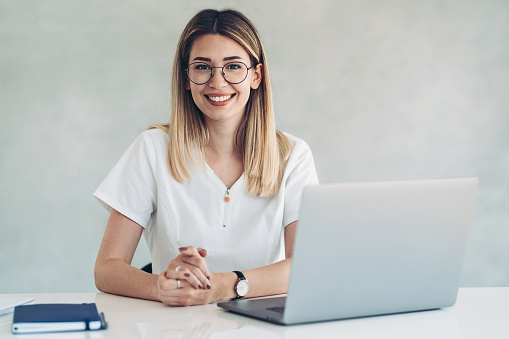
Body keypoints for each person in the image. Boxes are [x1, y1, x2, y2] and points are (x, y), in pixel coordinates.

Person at [93, 8, 318, 306]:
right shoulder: (152, 148)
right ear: (186, 78)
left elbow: (305, 267)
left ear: (256, 76)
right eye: (202, 67)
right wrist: (160, 286)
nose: (217, 82)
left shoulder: (293, 156)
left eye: (233, 66)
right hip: (176, 325)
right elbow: (107, 268)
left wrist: (227, 284)